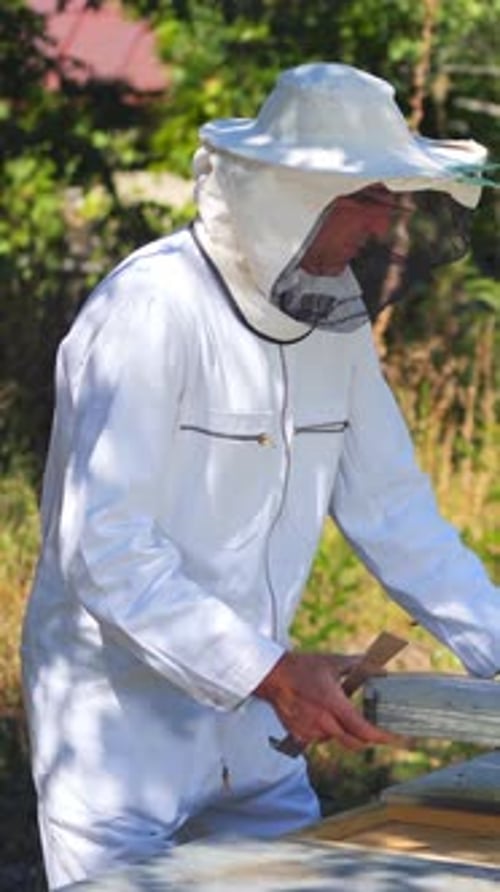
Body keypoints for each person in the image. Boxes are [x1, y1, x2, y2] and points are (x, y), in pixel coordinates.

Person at [21, 62, 499, 890]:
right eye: (368, 200)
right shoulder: (152, 309)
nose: (384, 227)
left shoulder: (334, 322)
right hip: (120, 738)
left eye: (394, 202)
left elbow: (396, 513)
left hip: (261, 736)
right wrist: (272, 671)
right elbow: (103, 548)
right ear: (289, 193)